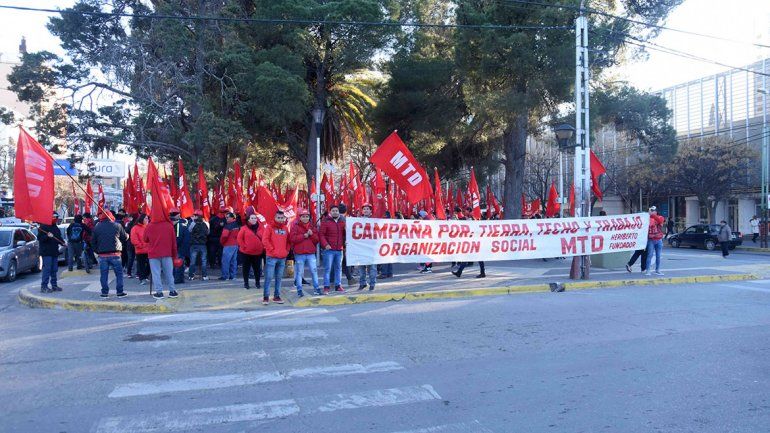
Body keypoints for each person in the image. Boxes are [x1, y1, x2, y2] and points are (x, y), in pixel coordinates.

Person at [91, 210, 129, 298]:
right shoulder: (117, 225)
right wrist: (127, 236)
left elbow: (93, 242)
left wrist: (97, 251)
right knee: (119, 274)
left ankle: (104, 293)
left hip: (102, 255)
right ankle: (120, 292)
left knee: (104, 275)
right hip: (115, 254)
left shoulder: (97, 227)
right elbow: (124, 238)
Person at [143, 213, 178, 299]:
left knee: (156, 274)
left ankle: (159, 292)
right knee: (169, 273)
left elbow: (145, 239)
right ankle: (172, 291)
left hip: (153, 253)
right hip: (167, 252)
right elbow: (174, 242)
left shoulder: (149, 226)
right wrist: (174, 255)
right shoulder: (169, 226)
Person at [290, 208, 320, 296]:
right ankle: (299, 290)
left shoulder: (312, 227)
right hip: (299, 254)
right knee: (299, 273)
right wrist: (303, 236)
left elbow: (317, 240)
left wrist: (312, 234)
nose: (305, 218)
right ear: (299, 217)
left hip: (310, 253)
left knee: (314, 271)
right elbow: (292, 239)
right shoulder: (295, 227)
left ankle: (317, 289)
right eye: (303, 216)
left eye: (307, 216)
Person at [262, 211, 290, 304]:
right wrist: (272, 250)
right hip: (271, 257)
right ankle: (266, 297)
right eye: (278, 217)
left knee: (279, 278)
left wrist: (286, 251)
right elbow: (265, 240)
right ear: (275, 218)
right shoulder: (269, 227)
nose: (280, 219)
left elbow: (288, 241)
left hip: (282, 257)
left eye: (282, 218)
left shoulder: (285, 228)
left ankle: (277, 296)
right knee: (269, 277)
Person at [320, 205, 346, 294]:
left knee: (338, 268)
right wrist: (325, 244)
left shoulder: (342, 222)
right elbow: (321, 235)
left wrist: (345, 244)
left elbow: (345, 234)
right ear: (330, 212)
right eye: (333, 211)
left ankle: (338, 285)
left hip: (339, 249)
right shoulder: (325, 221)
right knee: (328, 269)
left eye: (336, 211)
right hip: (329, 250)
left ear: (339, 212)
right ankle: (326, 287)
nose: (335, 212)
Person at [39, 211, 65, 293]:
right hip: (46, 252)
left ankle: (54, 285)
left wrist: (63, 242)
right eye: (54, 217)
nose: (55, 219)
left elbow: (58, 237)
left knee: (54, 269)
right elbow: (40, 239)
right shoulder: (43, 227)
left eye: (56, 217)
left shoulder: (55, 227)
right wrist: (47, 236)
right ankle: (44, 286)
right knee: (47, 269)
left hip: (54, 252)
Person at [237, 212, 264, 290]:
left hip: (258, 253)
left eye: (255, 218)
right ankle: (246, 283)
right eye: (252, 218)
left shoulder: (261, 228)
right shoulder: (244, 228)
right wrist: (244, 247)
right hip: (246, 253)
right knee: (246, 269)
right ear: (248, 219)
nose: (254, 219)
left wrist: (262, 247)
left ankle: (257, 283)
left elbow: (265, 238)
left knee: (257, 269)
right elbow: (239, 238)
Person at [355, 204, 378, 291]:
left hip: (371, 248)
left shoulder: (374, 220)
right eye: (364, 209)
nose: (366, 210)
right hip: (361, 248)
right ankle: (362, 283)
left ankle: (372, 284)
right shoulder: (357, 221)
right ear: (362, 211)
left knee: (372, 268)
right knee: (361, 268)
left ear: (370, 211)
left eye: (367, 209)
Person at [170, 209, 190, 284]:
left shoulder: (178, 226)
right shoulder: (183, 223)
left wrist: (174, 247)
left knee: (177, 264)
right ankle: (180, 279)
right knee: (181, 264)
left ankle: (177, 279)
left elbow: (178, 238)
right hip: (184, 247)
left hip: (180, 248)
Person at [644, 206, 666, 276]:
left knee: (658, 256)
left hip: (659, 239)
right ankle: (648, 270)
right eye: (650, 210)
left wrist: (651, 215)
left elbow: (660, 221)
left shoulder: (660, 217)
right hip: (651, 240)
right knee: (649, 255)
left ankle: (657, 270)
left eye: (653, 210)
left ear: (656, 212)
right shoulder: (647, 218)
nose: (651, 212)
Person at [188, 210, 209, 280]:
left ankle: (191, 276)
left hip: (194, 245)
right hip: (203, 244)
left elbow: (189, 230)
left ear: (196, 216)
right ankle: (204, 276)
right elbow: (208, 232)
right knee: (204, 261)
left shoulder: (193, 223)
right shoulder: (206, 223)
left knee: (192, 261)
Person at [130, 214, 151, 285]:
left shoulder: (148, 227)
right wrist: (141, 246)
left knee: (150, 264)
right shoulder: (135, 228)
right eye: (146, 218)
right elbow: (134, 239)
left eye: (147, 218)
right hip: (140, 250)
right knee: (141, 265)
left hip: (149, 250)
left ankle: (145, 276)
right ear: (141, 219)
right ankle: (142, 279)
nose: (147, 220)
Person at [219, 212, 240, 280]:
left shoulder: (228, 226)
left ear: (232, 218)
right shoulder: (237, 225)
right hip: (235, 245)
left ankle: (225, 276)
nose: (226, 219)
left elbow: (224, 236)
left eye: (227, 217)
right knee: (233, 261)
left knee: (225, 261)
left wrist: (222, 242)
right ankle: (233, 276)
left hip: (228, 245)